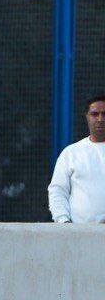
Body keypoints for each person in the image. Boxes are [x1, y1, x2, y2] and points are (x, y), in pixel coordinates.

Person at [48, 93, 105, 223]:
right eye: (95, 114)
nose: (100, 119)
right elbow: (57, 190)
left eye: (104, 114)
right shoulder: (71, 153)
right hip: (79, 236)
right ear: (87, 117)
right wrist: (63, 221)